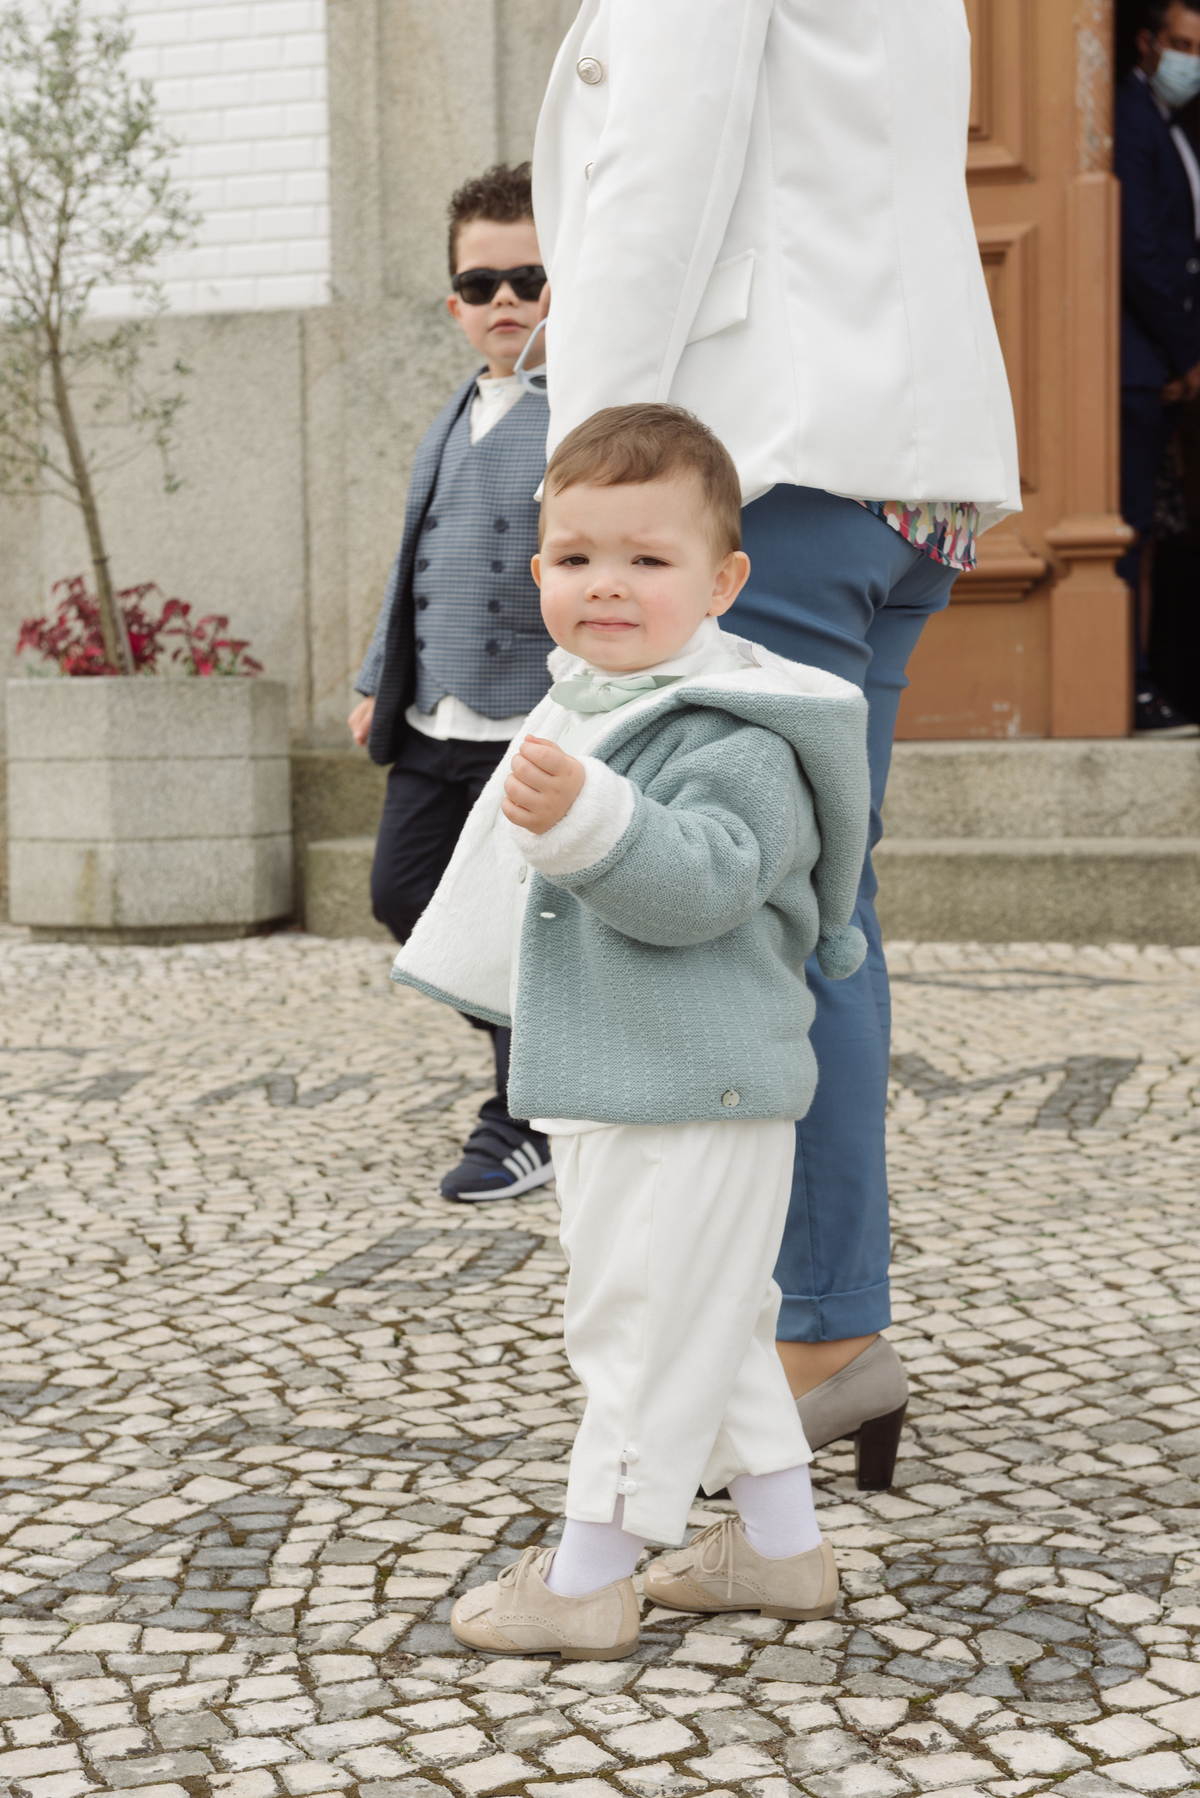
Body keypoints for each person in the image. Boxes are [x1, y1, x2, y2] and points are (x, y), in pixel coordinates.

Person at [531, 0, 1020, 1487]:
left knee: (743, 902)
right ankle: (824, 1331)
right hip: (897, 458)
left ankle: (800, 1342)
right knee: (819, 909)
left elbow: (660, 182)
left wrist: (593, 483)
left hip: (771, 449)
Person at [393, 403, 871, 1659]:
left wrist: (594, 819)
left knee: (638, 1319)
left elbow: (707, 881)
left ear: (723, 581)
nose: (607, 585)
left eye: (647, 561)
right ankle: (778, 1547)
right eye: (577, 556)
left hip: (688, 1088)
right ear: (538, 565)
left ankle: (592, 1570)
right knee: (707, 1318)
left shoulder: (740, 731)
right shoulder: (600, 700)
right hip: (632, 1079)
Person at [350, 163, 559, 1201]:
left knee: (526, 916)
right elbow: (413, 558)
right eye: (482, 286)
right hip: (435, 716)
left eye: (528, 277)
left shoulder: (583, 412)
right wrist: (374, 677)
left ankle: (520, 1115)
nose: (505, 301)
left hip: (531, 720)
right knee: (402, 893)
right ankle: (554, 1055)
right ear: (454, 305)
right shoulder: (451, 414)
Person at [1115, 0, 1200, 735]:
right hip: (1138, 363)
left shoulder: (1167, 125)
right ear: (1146, 44)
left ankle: (1139, 685)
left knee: (1151, 530)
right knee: (1129, 530)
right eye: (1179, 44)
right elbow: (1138, 252)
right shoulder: (1132, 118)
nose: (1187, 60)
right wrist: (1187, 353)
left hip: (1160, 366)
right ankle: (1126, 689)